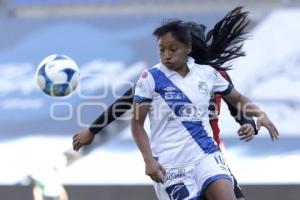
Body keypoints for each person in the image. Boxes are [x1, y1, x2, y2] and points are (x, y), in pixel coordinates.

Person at [72, 7, 268, 200]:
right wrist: (93, 130)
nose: (169, 54)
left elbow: (237, 107)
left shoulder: (213, 75)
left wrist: (248, 124)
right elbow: (123, 104)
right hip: (174, 160)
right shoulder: (156, 77)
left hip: (209, 153)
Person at [131, 8, 278, 200]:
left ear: (188, 48)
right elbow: (136, 124)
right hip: (171, 165)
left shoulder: (207, 74)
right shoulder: (150, 78)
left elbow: (237, 99)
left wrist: (258, 115)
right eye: (161, 49)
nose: (166, 55)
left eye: (172, 49)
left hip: (205, 155)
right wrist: (148, 160)